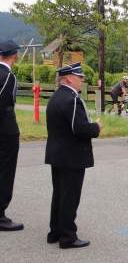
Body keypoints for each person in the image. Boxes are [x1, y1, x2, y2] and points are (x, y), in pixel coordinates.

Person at [45, 63, 102, 249]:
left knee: (60, 194)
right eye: (79, 77)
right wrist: (96, 127)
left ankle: (55, 231)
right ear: (68, 78)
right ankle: (68, 237)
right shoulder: (71, 99)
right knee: (70, 197)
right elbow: (80, 129)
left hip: (58, 154)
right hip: (71, 156)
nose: (82, 80)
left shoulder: (56, 96)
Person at [0, 40, 23, 231]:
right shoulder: (8, 77)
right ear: (14, 55)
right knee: (5, 171)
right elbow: (6, 102)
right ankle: (0, 215)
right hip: (5, 129)